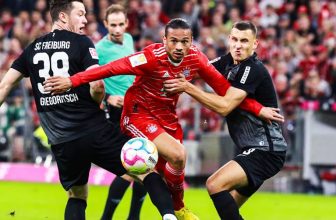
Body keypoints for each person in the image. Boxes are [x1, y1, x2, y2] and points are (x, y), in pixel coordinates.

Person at [43, 18, 284, 220]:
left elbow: (224, 90)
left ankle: (174, 207)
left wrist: (257, 108)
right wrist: (72, 80)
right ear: (164, 40)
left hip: (167, 118)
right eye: (174, 41)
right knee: (176, 156)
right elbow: (111, 68)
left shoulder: (197, 59)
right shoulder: (149, 57)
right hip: (137, 114)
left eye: (184, 41)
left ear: (191, 42)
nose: (179, 46)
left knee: (170, 165)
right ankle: (174, 210)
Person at [0, 1, 177, 220]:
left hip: (62, 140)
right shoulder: (82, 42)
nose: (85, 20)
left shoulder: (32, 48)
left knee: (77, 195)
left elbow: (5, 85)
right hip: (93, 129)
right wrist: (98, 102)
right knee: (146, 170)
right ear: (63, 17)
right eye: (81, 14)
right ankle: (169, 216)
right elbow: (97, 85)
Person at [163, 21, 287, 219]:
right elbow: (200, 69)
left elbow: (225, 106)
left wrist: (187, 87)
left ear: (255, 44)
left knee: (214, 184)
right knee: (229, 211)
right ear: (229, 40)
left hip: (266, 150)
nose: (239, 45)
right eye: (235, 39)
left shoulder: (252, 69)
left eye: (245, 41)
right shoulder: (228, 62)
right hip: (251, 148)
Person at [96, 4, 147, 220]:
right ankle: (110, 217)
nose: (117, 29)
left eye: (120, 24)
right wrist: (108, 97)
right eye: (112, 25)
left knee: (145, 164)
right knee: (134, 168)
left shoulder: (128, 40)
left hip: (135, 109)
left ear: (126, 23)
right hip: (116, 114)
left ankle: (130, 217)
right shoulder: (99, 49)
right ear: (105, 24)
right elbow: (90, 79)